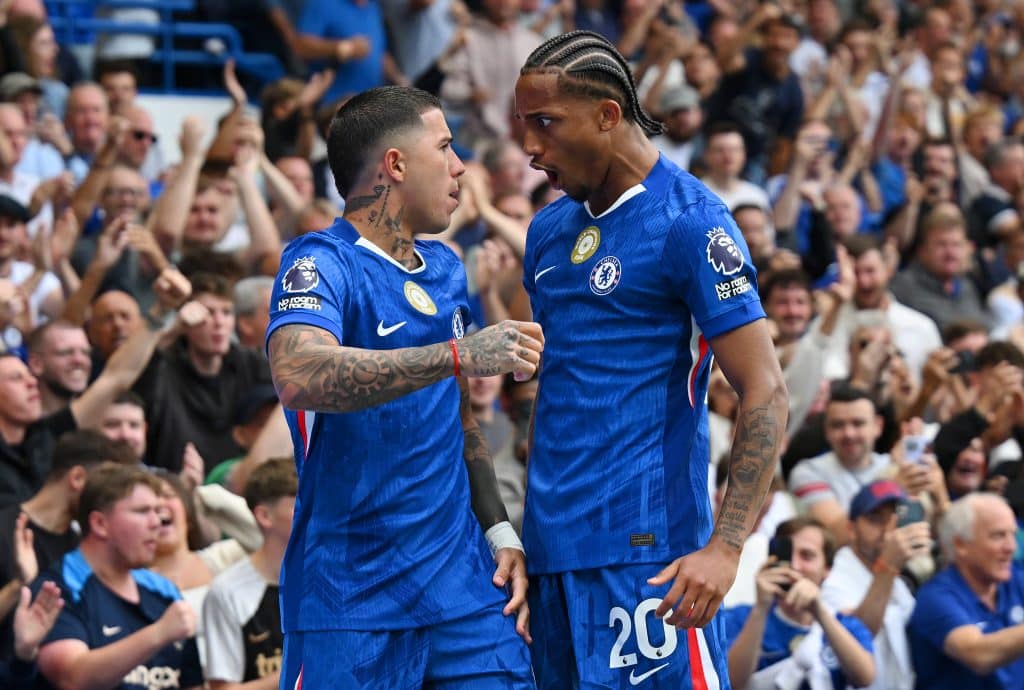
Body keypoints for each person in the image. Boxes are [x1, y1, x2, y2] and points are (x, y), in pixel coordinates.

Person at [514, 30, 788, 688]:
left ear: (609, 115)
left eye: (546, 125)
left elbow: (766, 390)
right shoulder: (548, 232)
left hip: (652, 557)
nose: (530, 150)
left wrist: (726, 548)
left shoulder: (692, 222)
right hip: (552, 556)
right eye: (524, 127)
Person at [266, 86, 543, 689]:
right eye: (444, 147)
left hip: (462, 588)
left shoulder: (445, 269)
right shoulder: (318, 261)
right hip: (349, 594)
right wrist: (458, 354)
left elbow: (459, 417)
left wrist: (499, 531)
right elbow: (298, 374)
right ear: (395, 165)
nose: (460, 166)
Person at [34, 463, 203, 690]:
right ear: (100, 524)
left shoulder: (164, 592)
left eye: (157, 511)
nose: (156, 523)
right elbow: (71, 678)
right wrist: (158, 634)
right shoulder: (59, 588)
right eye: (142, 511)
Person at [722, 517, 876, 689]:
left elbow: (864, 678)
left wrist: (820, 613)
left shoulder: (846, 625)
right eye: (786, 554)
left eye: (807, 556)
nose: (794, 565)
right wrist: (760, 609)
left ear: (827, 569)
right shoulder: (739, 618)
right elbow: (729, 682)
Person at [821, 480, 931, 690]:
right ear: (851, 529)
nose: (888, 531)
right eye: (875, 519)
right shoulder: (834, 582)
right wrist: (888, 565)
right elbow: (856, 637)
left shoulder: (898, 579)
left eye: (893, 520)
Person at [908, 493, 1024, 690]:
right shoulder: (935, 598)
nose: (1011, 547)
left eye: (1012, 534)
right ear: (961, 544)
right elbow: (978, 655)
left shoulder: (1015, 580)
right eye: (998, 536)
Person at [202, 457, 297, 689]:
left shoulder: (337, 583)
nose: (316, 514)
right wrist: (297, 671)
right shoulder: (228, 591)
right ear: (265, 516)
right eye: (301, 504)